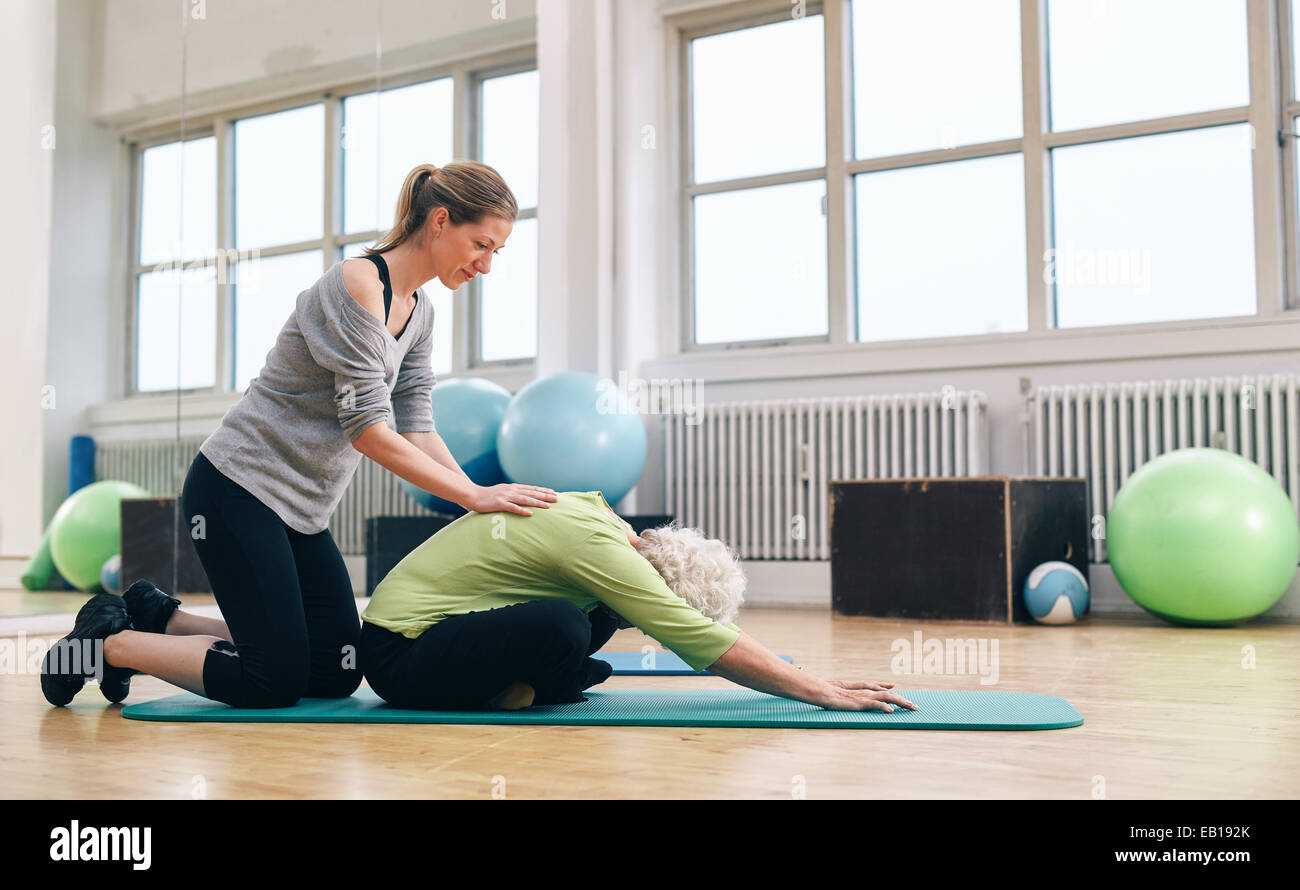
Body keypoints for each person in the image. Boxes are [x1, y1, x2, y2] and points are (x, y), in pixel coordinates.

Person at [40, 162, 557, 709]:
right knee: (276, 679)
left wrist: (481, 501)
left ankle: (157, 617)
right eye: (481, 244)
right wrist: (473, 495)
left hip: (302, 514)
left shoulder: (420, 313)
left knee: (335, 669)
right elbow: (368, 431)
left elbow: (418, 426)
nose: (487, 264)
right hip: (236, 491)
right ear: (440, 221)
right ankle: (111, 644)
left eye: (496, 251)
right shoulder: (357, 285)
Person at [359, 490, 918, 713]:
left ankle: (531, 687)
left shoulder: (618, 529)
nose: (642, 631)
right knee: (565, 625)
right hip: (399, 657)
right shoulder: (604, 554)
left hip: (453, 634)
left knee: (588, 621)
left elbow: (685, 626)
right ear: (658, 585)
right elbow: (701, 641)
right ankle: (533, 687)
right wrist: (817, 689)